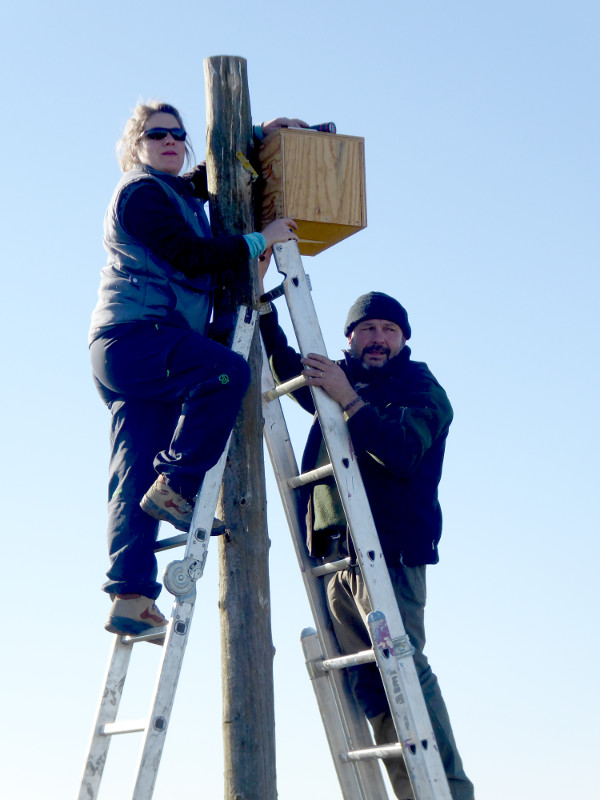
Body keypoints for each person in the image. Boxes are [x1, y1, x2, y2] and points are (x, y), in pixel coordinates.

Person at [90, 100, 305, 636]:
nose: (169, 141)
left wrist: (256, 134)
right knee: (227, 372)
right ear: (135, 146)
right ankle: (179, 485)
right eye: (155, 134)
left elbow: (211, 175)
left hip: (141, 348)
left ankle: (130, 597)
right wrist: (262, 238)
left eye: (177, 135)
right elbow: (189, 254)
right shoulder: (141, 194)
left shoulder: (174, 192)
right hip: (135, 337)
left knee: (135, 470)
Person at [259, 288, 474, 800]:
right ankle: (410, 794)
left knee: (405, 672)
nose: (379, 339)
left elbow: (402, 452)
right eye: (368, 329)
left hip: (390, 554)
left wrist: (349, 400)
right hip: (334, 553)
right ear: (350, 337)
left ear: (404, 340)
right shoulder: (339, 377)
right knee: (372, 689)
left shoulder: (421, 388)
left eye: (390, 330)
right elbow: (287, 365)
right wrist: (264, 306)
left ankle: (450, 792)